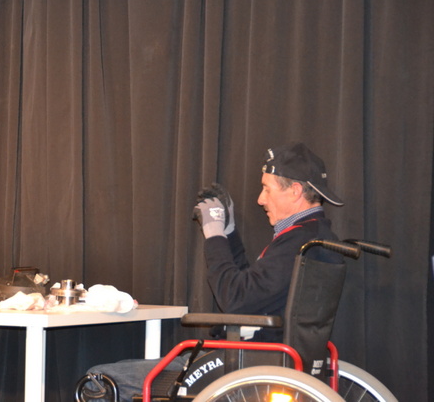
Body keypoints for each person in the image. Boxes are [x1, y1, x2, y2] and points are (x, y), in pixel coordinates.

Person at [79, 141, 344, 401]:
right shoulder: (315, 237)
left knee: (98, 380)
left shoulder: (297, 241)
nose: (260, 199)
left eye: (267, 189)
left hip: (247, 360)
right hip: (268, 357)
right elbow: (252, 292)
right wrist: (228, 233)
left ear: (295, 190)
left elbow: (234, 299)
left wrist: (214, 235)